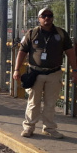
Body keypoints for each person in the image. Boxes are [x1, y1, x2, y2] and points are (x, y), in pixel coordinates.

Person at [13, 8, 77, 139]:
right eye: (44, 16)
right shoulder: (32, 33)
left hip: (54, 73)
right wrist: (16, 69)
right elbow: (22, 52)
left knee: (50, 103)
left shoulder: (61, 33)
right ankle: (29, 127)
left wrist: (75, 70)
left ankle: (49, 128)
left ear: (52, 17)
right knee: (33, 102)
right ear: (39, 18)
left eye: (49, 15)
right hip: (35, 73)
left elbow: (71, 53)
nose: (47, 18)